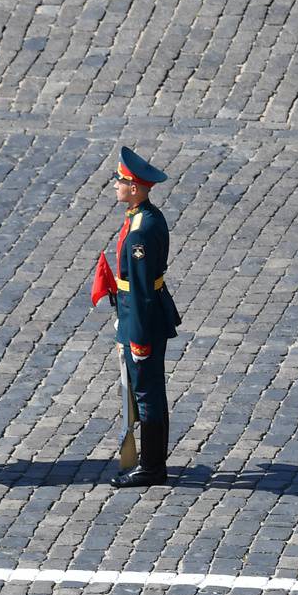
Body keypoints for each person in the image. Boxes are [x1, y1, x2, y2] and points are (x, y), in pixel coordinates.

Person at [110, 146, 182, 487]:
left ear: (136, 188)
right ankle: (154, 461)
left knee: (147, 392)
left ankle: (152, 466)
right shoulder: (142, 217)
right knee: (150, 389)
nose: (116, 184)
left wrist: (136, 336)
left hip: (142, 318)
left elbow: (139, 289)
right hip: (138, 309)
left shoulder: (140, 230)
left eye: (121, 180)